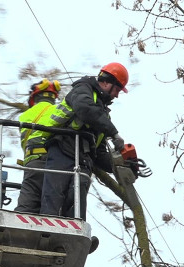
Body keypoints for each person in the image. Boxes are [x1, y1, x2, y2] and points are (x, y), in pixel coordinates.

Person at [39, 62, 128, 222]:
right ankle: (47, 232)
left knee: (76, 205)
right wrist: (114, 133)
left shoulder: (103, 116)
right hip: (63, 150)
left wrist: (122, 164)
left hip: (84, 160)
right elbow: (84, 109)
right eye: (117, 90)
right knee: (53, 198)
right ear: (107, 82)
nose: (117, 95)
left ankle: (73, 239)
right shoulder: (83, 90)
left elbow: (99, 153)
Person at [14, 79, 61, 213]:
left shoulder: (25, 115)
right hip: (52, 163)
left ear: (34, 97)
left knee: (26, 206)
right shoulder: (59, 110)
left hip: (31, 163)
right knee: (52, 208)